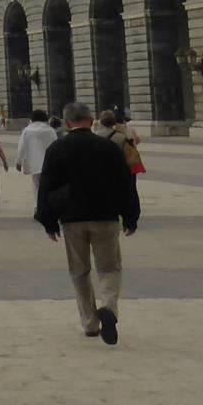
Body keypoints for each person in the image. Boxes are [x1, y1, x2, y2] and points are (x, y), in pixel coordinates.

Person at [35, 102, 141, 344]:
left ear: (67, 122)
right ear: (91, 120)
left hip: (72, 218)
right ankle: (109, 306)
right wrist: (131, 216)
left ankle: (90, 323)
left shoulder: (57, 148)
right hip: (105, 215)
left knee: (79, 271)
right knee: (109, 268)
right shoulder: (109, 148)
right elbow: (126, 184)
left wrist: (48, 220)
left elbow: (46, 186)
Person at [14, 109, 58, 207]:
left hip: (34, 162)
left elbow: (22, 147)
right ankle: (49, 205)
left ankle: (37, 206)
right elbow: (56, 146)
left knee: (36, 185)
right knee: (49, 185)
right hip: (50, 163)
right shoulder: (50, 131)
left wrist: (19, 161)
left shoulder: (27, 131)